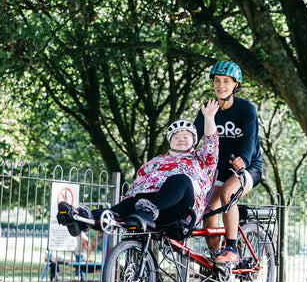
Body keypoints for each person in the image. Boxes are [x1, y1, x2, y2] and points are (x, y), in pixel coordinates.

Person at [57, 100, 219, 235]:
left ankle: (146, 212)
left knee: (181, 180)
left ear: (194, 141)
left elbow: (211, 146)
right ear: (170, 141)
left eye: (186, 136)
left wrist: (209, 117)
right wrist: (128, 203)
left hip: (180, 211)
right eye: (176, 136)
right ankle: (80, 218)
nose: (181, 139)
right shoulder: (155, 161)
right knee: (126, 204)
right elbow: (138, 185)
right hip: (144, 206)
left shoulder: (200, 159)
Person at [193, 60, 263, 266]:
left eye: (226, 81)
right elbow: (194, 137)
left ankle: (231, 248)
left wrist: (244, 159)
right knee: (207, 209)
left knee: (227, 193)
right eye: (217, 81)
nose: (220, 85)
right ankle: (216, 261)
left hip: (248, 167)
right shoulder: (207, 109)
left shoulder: (246, 109)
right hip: (220, 169)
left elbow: (250, 140)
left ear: (235, 85)